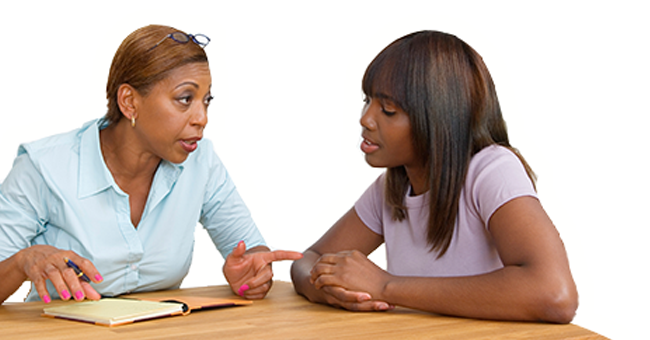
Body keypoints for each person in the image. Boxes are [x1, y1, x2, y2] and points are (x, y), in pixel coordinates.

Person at [0, 24, 302, 304]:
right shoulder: (43, 168)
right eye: (185, 99)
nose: (202, 118)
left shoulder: (202, 162)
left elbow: (250, 250)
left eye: (206, 100)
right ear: (129, 102)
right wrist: (23, 261)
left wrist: (252, 271)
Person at [290, 30, 578, 324]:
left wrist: (385, 287)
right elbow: (308, 259)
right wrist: (325, 288)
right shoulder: (390, 189)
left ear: (439, 118)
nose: (366, 119)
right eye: (368, 101)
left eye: (388, 110)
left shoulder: (491, 171)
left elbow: (555, 294)